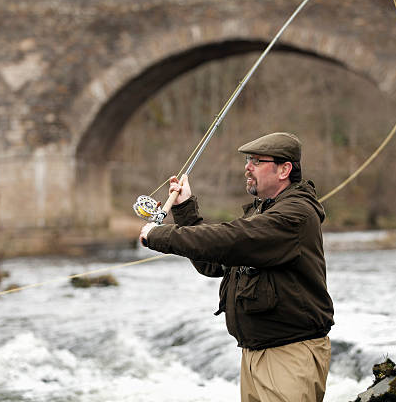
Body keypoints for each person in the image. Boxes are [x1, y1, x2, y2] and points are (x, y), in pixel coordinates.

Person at [139, 132, 334, 402]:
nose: (247, 167)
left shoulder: (294, 215)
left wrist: (161, 235)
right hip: (254, 355)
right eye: (247, 160)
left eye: (256, 161)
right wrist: (185, 210)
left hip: (290, 355)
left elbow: (232, 239)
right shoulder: (262, 211)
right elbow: (214, 262)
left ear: (284, 169)